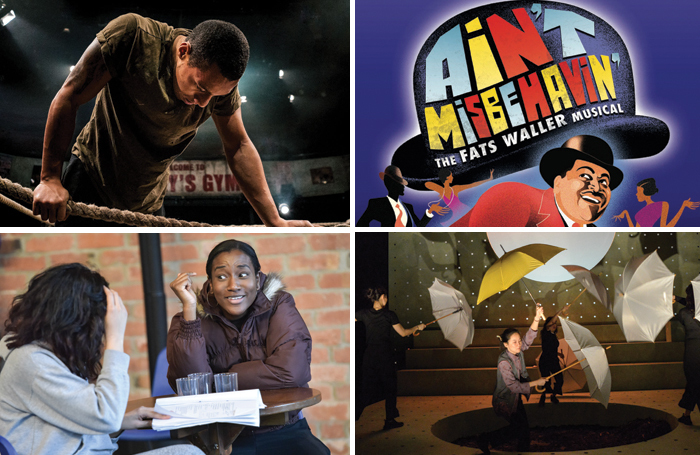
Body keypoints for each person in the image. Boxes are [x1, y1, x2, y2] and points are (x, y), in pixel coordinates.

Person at [31, 13, 310, 227]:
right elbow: (69, 96)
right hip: (90, 181)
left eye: (214, 96)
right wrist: (49, 178)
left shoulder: (217, 87)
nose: (204, 103)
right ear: (183, 51)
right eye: (201, 88)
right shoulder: (133, 37)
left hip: (149, 202)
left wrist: (274, 220)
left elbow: (238, 145)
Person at [0, 263, 202, 455]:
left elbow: (75, 419)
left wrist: (119, 423)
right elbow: (105, 416)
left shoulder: (40, 353)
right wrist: (115, 337)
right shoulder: (32, 361)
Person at [166, 239, 329, 455]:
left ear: (258, 279)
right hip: (221, 436)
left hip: (283, 429)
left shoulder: (279, 304)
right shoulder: (187, 322)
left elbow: (292, 372)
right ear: (211, 284)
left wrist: (225, 378)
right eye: (221, 277)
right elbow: (192, 388)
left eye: (243, 274)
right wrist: (189, 311)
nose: (233, 285)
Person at [453, 135, 624, 227]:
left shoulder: (593, 235)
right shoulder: (511, 198)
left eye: (604, 182)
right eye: (585, 176)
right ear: (558, 183)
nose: (596, 187)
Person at [477, 304, 547, 454]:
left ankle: (487, 440)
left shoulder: (518, 350)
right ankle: (486, 439)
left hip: (516, 399)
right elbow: (513, 386)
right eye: (514, 342)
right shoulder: (504, 361)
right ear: (505, 344)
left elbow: (529, 337)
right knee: (520, 430)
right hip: (505, 400)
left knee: (522, 430)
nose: (519, 344)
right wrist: (536, 382)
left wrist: (536, 317)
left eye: (518, 341)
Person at [355, 287, 426, 430]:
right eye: (385, 297)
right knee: (390, 388)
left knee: (366, 391)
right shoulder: (389, 315)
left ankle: (353, 417)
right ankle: (389, 420)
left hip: (369, 357)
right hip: (384, 356)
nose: (386, 300)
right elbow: (403, 333)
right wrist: (417, 327)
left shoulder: (363, 313)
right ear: (381, 297)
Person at [357, 165, 447, 227]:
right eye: (399, 183)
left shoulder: (408, 207)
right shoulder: (377, 204)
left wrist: (431, 210)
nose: (403, 186)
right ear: (390, 183)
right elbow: (361, 225)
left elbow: (420, 226)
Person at [613, 177, 700, 227]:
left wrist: (682, 207)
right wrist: (626, 213)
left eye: (638, 192)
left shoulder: (662, 205)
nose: (636, 194)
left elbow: (665, 228)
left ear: (646, 192)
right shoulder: (641, 211)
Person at [424, 168, 493, 226]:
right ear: (447, 178)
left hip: (464, 210)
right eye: (451, 176)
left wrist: (488, 180)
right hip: (457, 215)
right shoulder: (449, 190)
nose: (452, 177)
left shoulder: (449, 190)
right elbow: (427, 184)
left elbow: (472, 185)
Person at [674, 284, 700, 426]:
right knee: (694, 383)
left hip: (692, 352)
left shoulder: (683, 314)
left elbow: (689, 309)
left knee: (694, 381)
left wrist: (678, 299)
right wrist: (678, 298)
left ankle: (686, 415)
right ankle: (686, 415)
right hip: (694, 350)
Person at [537, 303, 571, 407]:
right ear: (548, 325)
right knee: (546, 380)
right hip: (545, 361)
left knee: (559, 379)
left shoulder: (553, 335)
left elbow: (550, 348)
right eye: (552, 323)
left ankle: (553, 395)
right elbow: (552, 321)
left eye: (555, 323)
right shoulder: (546, 332)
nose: (554, 324)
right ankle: (543, 396)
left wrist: (559, 353)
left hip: (554, 360)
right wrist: (562, 309)